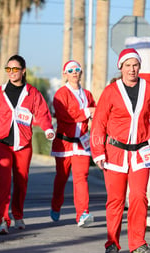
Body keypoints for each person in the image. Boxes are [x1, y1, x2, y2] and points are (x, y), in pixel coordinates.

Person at [90, 48, 150, 253]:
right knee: (115, 200)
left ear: (139, 67)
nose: (132, 69)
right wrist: (98, 152)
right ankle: (112, 243)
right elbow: (99, 124)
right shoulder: (110, 91)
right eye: (128, 65)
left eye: (135, 65)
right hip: (114, 153)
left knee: (138, 197)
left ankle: (138, 244)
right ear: (120, 67)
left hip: (141, 153)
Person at [0, 55, 55, 235]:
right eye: (8, 69)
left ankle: (18, 214)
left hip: (23, 146)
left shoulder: (32, 93)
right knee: (3, 184)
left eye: (15, 69)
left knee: (21, 183)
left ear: (23, 71)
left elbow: (42, 113)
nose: (11, 73)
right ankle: (3, 221)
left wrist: (48, 129)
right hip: (2, 145)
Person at [50, 60, 96, 227]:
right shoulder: (60, 94)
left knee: (81, 178)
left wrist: (95, 114)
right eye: (71, 70)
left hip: (82, 143)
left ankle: (82, 214)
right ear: (65, 74)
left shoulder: (88, 95)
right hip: (64, 144)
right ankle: (56, 205)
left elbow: (95, 112)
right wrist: (87, 112)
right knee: (61, 178)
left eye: (77, 69)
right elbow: (65, 116)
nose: (75, 72)